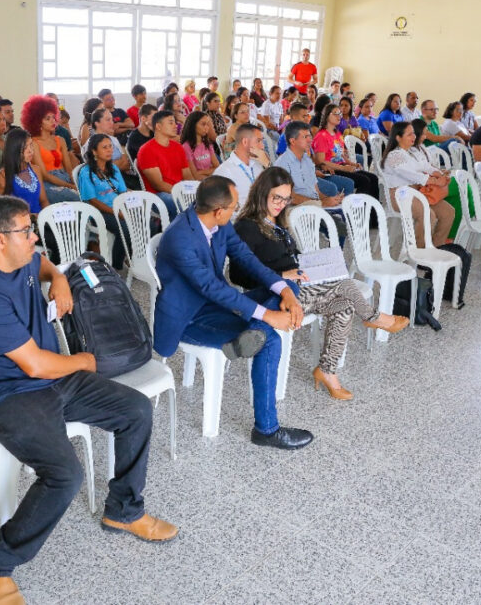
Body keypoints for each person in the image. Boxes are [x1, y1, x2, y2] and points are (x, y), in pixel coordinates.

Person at [0, 197, 177, 605]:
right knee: (65, 474)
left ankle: (123, 510)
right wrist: (83, 361)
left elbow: (38, 260)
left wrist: (56, 275)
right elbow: (36, 365)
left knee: (135, 410)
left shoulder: (16, 257)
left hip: (48, 379)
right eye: (26, 229)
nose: (34, 236)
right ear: (0, 240)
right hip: (5, 394)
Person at [153, 175, 313, 449]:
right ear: (218, 211)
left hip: (217, 304)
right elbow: (212, 288)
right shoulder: (180, 238)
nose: (237, 211)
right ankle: (266, 430)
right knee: (270, 340)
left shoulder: (217, 223)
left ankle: (254, 332)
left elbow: (246, 258)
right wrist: (269, 315)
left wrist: (284, 291)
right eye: (233, 207)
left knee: (286, 286)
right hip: (190, 318)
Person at [233, 167, 408, 399]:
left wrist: (310, 266)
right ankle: (374, 318)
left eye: (286, 199)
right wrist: (282, 275)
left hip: (300, 288)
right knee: (345, 286)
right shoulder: (246, 226)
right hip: (275, 296)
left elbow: (290, 257)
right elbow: (237, 275)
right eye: (276, 197)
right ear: (261, 192)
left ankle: (327, 371)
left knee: (345, 304)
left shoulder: (277, 221)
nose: (281, 204)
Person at [381, 121, 455, 247]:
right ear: (398, 138)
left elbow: (426, 166)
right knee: (428, 215)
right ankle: (419, 252)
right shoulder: (394, 155)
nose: (414, 137)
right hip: (401, 194)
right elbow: (411, 175)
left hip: (418, 192)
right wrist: (435, 181)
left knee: (448, 212)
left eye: (414, 133)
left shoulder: (413, 151)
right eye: (409, 134)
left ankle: (437, 246)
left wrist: (439, 174)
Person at [78, 134, 130, 269]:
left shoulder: (114, 168)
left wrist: (125, 208)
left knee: (148, 223)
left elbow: (123, 192)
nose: (109, 150)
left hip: (118, 207)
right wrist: (117, 213)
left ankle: (134, 256)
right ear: (94, 151)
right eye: (104, 147)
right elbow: (92, 200)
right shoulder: (86, 172)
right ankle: (115, 266)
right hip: (99, 211)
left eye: (110, 147)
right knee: (125, 229)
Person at [312, 103, 381, 202]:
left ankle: (373, 211)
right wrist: (343, 168)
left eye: (339, 114)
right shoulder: (321, 136)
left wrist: (352, 163)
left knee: (373, 178)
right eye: (335, 113)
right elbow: (320, 160)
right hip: (331, 168)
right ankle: (357, 209)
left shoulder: (337, 134)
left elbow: (341, 154)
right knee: (364, 181)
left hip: (341, 166)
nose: (339, 116)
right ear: (327, 116)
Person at [275, 121, 348, 207]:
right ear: (293, 141)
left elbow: (317, 192)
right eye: (305, 137)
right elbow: (291, 197)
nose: (310, 140)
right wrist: (321, 203)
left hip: (313, 207)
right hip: (297, 211)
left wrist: (330, 200)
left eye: (310, 136)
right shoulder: (282, 164)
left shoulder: (307, 160)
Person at [137, 110, 194, 219]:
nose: (175, 126)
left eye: (175, 122)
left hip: (179, 191)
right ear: (158, 126)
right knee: (182, 204)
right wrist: (182, 194)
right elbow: (158, 184)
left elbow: (187, 175)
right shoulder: (146, 150)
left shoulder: (178, 147)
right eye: (171, 122)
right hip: (159, 195)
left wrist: (192, 190)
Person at [23, 95, 77, 204]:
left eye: (54, 117)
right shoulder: (33, 143)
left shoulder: (60, 140)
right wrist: (70, 186)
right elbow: (45, 175)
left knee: (86, 196)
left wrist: (75, 183)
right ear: (38, 122)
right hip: (48, 184)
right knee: (77, 198)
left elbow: (69, 168)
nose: (53, 121)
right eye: (48, 118)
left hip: (65, 179)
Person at [214, 123, 270, 210]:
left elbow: (274, 189)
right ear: (245, 142)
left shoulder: (258, 163)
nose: (262, 146)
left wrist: (267, 165)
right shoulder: (224, 172)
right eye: (258, 141)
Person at [0, 128, 49, 217]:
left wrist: (48, 218)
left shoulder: (36, 170)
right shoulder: (3, 176)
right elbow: (7, 211)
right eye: (25, 148)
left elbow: (43, 201)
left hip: (40, 220)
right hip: (19, 224)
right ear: (14, 150)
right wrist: (32, 217)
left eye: (31, 145)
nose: (30, 151)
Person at [179, 110, 221, 180]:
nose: (207, 127)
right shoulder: (187, 147)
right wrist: (210, 172)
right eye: (203, 124)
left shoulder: (207, 143)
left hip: (210, 179)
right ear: (193, 125)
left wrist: (202, 172)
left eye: (208, 124)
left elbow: (217, 167)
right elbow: (194, 176)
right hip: (199, 183)